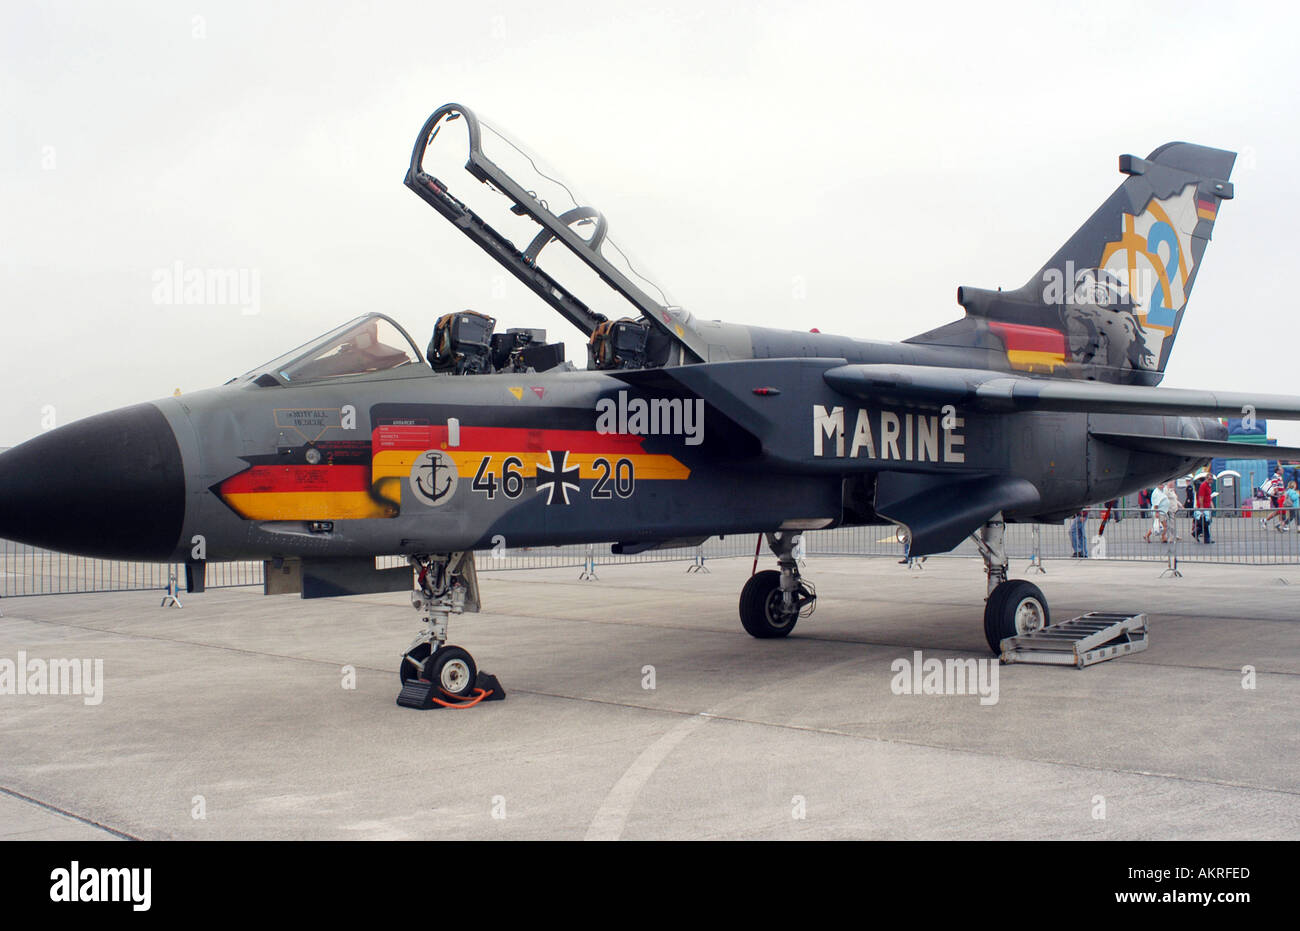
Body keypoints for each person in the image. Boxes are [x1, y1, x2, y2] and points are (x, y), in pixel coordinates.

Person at [1195, 473, 1215, 544]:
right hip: (1204, 507)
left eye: (1211, 479)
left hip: (1208, 506)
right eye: (1209, 479)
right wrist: (1201, 507)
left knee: (1207, 522)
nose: (1210, 481)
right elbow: (1201, 497)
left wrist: (1211, 505)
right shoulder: (1203, 485)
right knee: (1206, 523)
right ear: (1206, 479)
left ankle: (1196, 533)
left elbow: (1208, 496)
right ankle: (1207, 539)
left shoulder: (1209, 486)